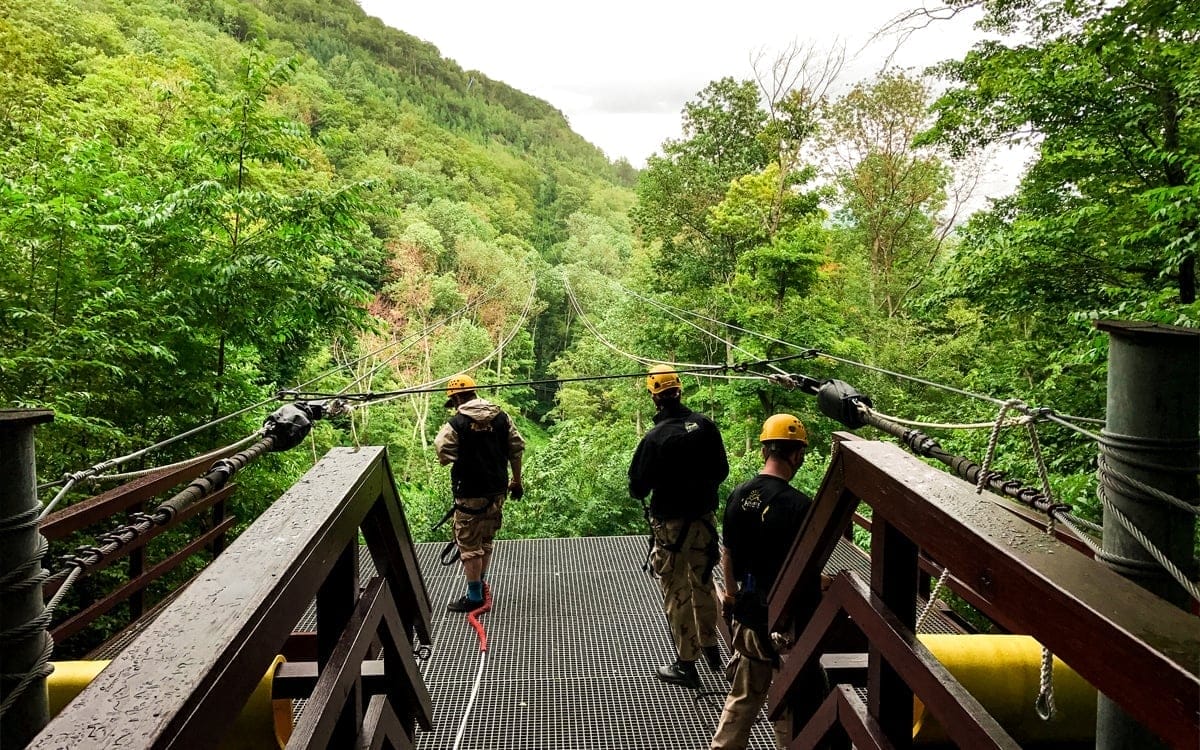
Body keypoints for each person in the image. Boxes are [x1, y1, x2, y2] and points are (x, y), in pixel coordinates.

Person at [711, 413, 815, 750]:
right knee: (789, 702)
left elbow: (727, 553)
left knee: (744, 694)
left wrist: (730, 595)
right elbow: (805, 565)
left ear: (764, 451)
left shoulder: (738, 494)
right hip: (785, 620)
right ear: (796, 454)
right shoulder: (798, 505)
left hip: (749, 612)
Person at [628, 365, 729, 689]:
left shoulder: (655, 439)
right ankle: (712, 647)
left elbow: (638, 488)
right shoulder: (705, 426)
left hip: (671, 528)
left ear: (654, 396)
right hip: (704, 521)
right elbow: (722, 471)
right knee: (703, 581)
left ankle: (687, 663)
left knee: (677, 591)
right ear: (679, 390)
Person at [434, 373, 525, 612]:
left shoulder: (457, 423)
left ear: (457, 399)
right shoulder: (502, 417)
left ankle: (474, 596)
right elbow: (516, 448)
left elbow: (442, 450)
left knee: (468, 543)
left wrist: (459, 455)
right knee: (485, 539)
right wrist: (517, 480)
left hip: (470, 493)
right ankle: (480, 586)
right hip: (497, 490)